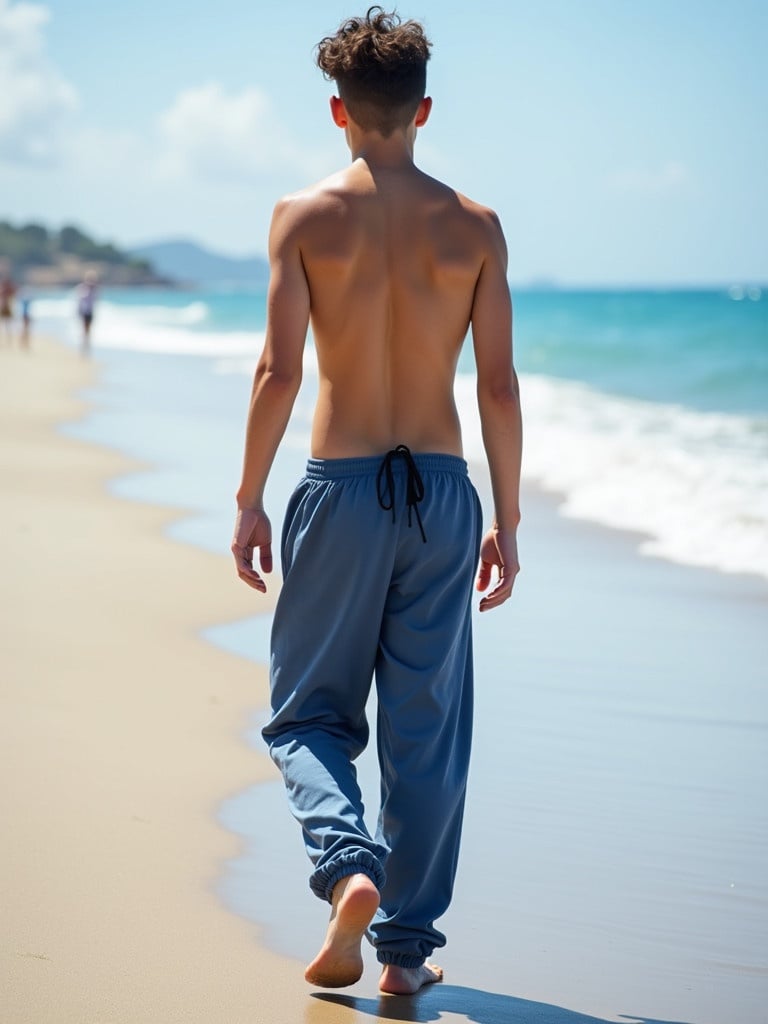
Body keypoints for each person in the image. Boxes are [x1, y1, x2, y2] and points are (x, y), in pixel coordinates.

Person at [232, 6, 522, 996]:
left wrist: (247, 496)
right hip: (442, 492)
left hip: (340, 486)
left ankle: (347, 864)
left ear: (337, 112)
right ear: (424, 110)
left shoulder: (303, 217)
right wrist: (508, 523)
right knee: (424, 726)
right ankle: (403, 956)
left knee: (305, 713)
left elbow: (279, 369)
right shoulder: (476, 227)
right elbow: (499, 388)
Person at [76, 271, 98, 355]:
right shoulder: (82, 288)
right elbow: (80, 300)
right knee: (84, 329)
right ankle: (84, 345)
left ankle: (86, 345)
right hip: (84, 311)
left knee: (88, 330)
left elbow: (95, 301)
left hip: (90, 311)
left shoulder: (95, 289)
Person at [0, 273, 16, 343]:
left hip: (7, 307)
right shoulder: (4, 289)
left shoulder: (8, 289)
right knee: (6, 324)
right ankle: (6, 339)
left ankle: (8, 339)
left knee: (7, 324)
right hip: (4, 307)